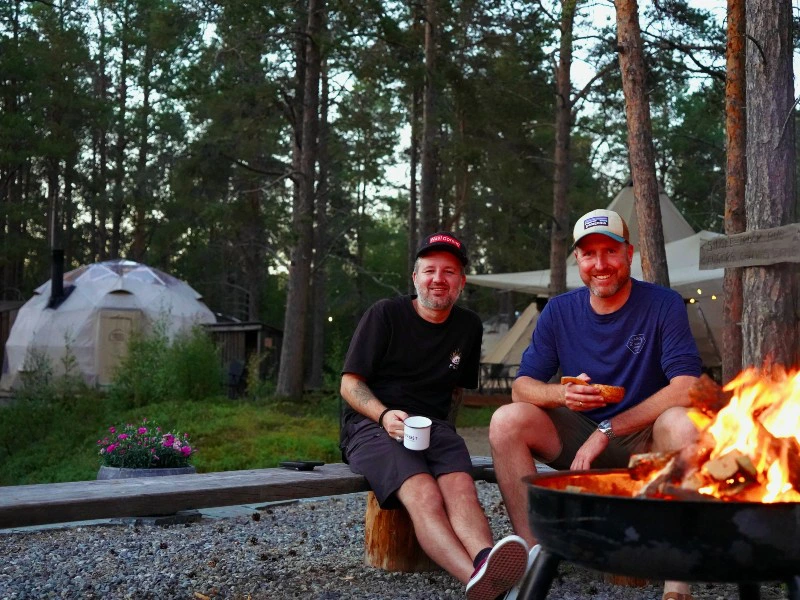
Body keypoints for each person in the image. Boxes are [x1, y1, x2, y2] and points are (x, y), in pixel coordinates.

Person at [489, 209, 702, 600]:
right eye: (589, 254)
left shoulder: (664, 304)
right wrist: (561, 395)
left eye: (610, 251)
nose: (600, 264)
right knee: (507, 420)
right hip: (578, 436)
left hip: (645, 441)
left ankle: (677, 578)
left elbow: (687, 386)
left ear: (629, 254)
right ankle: (533, 554)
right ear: (578, 260)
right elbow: (522, 387)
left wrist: (609, 429)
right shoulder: (559, 311)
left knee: (683, 422)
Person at [340, 231, 529, 600]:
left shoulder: (468, 326)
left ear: (461, 282)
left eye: (449, 271)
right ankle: (482, 585)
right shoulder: (385, 314)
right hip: (371, 426)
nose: (438, 279)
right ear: (415, 278)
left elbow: (456, 390)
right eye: (429, 270)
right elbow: (349, 384)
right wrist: (382, 415)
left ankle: (486, 559)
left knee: (461, 488)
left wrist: (446, 440)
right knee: (424, 493)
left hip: (434, 427)